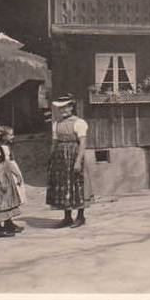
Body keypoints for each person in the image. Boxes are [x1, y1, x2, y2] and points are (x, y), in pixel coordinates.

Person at [46, 95, 92, 228]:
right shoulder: (57, 124)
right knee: (64, 185)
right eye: (60, 108)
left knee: (77, 184)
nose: (62, 111)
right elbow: (54, 143)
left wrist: (78, 161)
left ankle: (80, 216)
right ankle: (67, 217)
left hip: (74, 154)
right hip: (60, 157)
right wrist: (51, 158)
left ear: (71, 107)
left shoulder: (79, 122)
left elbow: (83, 143)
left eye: (65, 107)